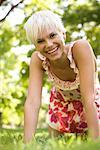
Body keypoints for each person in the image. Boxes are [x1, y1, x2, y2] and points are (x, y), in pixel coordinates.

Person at [23, 10, 100, 143]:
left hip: (91, 102)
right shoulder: (37, 59)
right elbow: (32, 102)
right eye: (40, 41)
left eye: (52, 35)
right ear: (35, 46)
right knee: (56, 143)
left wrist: (96, 140)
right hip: (62, 103)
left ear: (63, 34)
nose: (49, 44)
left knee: (89, 139)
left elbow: (89, 98)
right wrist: (26, 143)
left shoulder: (80, 48)